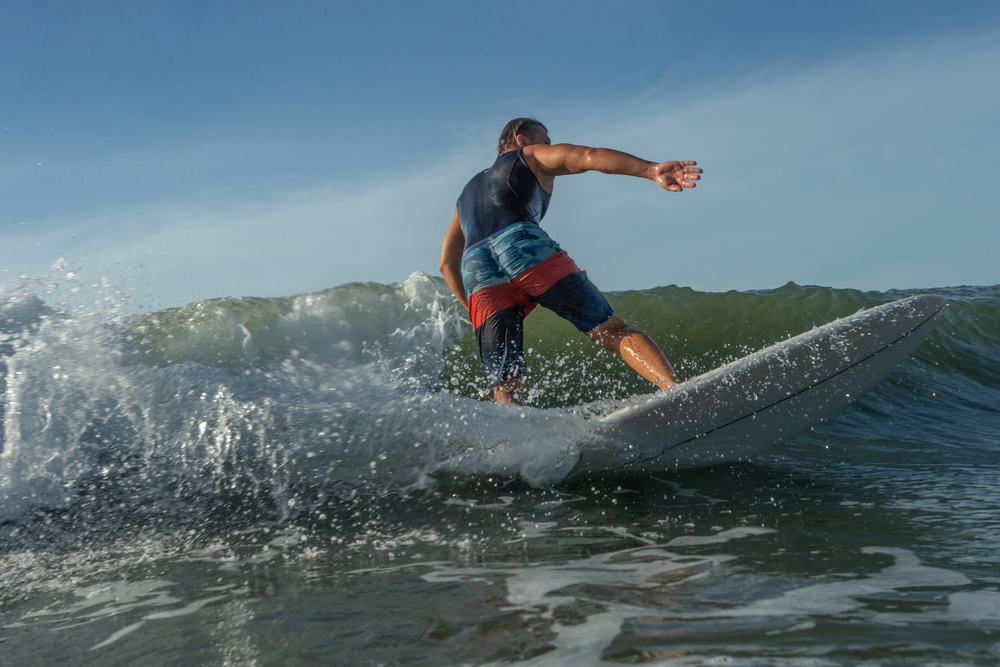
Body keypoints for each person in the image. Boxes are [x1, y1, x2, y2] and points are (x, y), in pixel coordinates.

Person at [439, 117, 702, 405]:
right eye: (545, 141)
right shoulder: (528, 156)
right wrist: (651, 170)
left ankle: (516, 442)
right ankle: (679, 395)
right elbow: (587, 156)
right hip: (519, 243)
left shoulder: (465, 194)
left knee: (506, 378)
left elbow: (446, 264)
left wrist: (474, 309)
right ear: (521, 139)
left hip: (476, 267)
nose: (550, 147)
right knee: (611, 330)